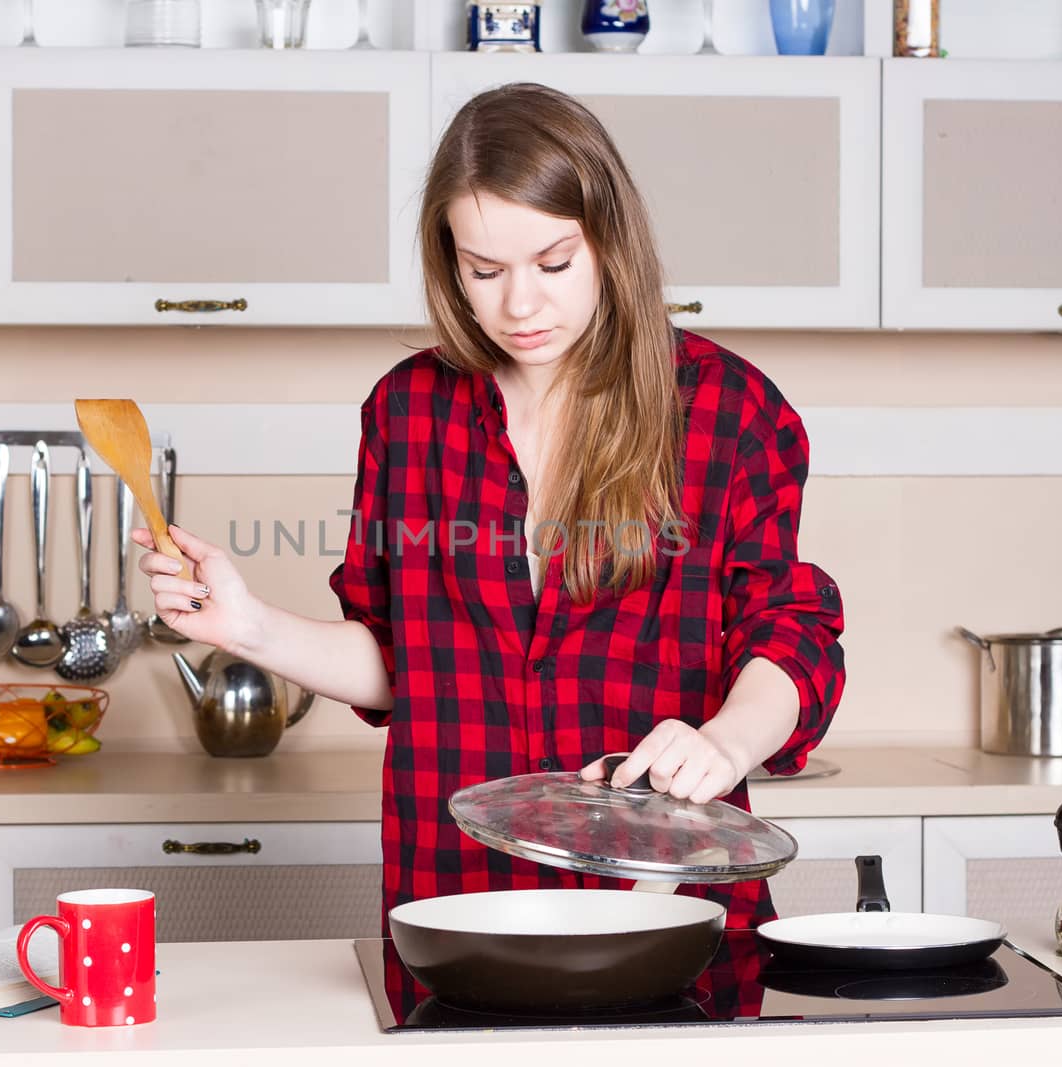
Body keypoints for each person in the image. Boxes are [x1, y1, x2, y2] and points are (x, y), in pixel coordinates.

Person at [137, 82, 845, 928]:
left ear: (610, 243)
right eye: (484, 270)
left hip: (668, 902)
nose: (519, 304)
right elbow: (402, 661)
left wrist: (725, 741)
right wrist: (249, 627)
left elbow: (790, 630)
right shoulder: (408, 412)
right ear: (450, 262)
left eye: (553, 264)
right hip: (456, 897)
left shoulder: (730, 411)